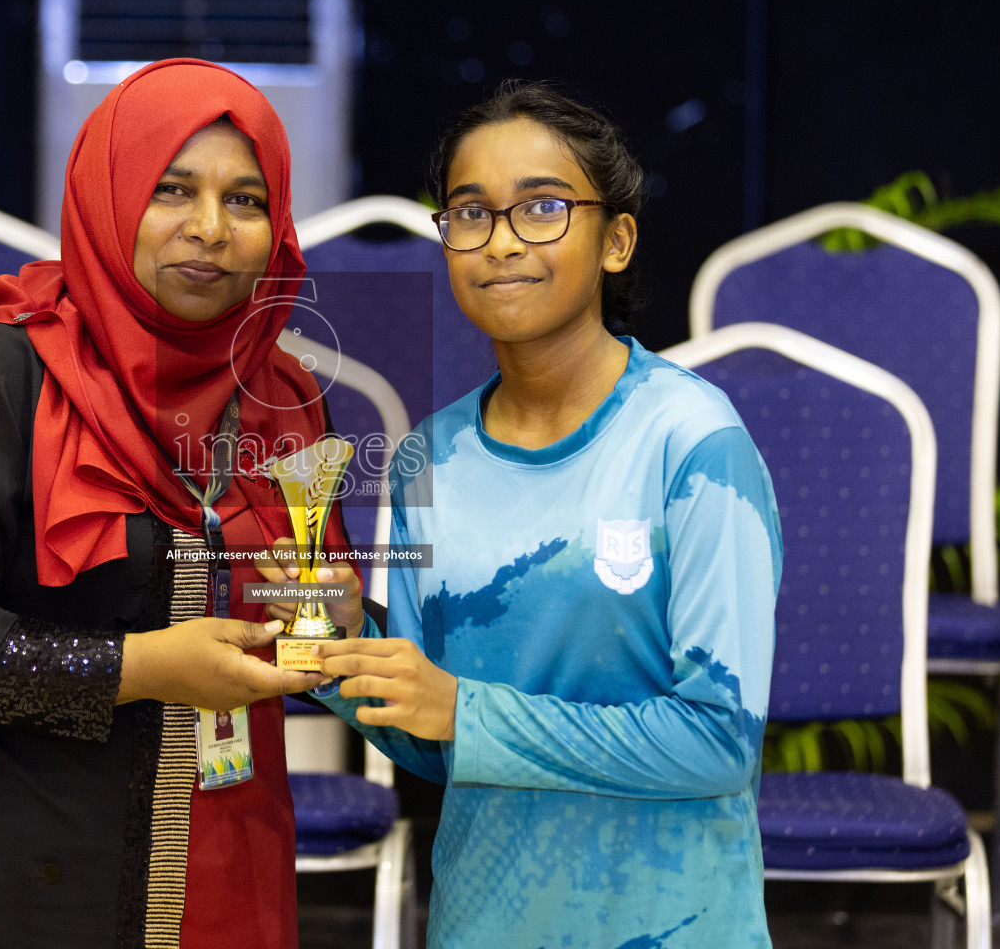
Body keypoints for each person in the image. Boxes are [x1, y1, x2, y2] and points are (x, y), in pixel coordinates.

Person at [0, 59, 354, 949]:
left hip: (230, 862)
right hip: (9, 877)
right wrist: (143, 668)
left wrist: (336, 618)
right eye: (172, 190)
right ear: (108, 196)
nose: (209, 229)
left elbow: (308, 608)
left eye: (245, 200)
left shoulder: (287, 396)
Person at [295, 81, 782, 947]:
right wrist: (337, 643)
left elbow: (717, 743)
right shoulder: (426, 463)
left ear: (617, 240)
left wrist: (465, 712)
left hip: (672, 924)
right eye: (470, 213)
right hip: (484, 920)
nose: (502, 242)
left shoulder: (693, 441)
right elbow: (434, 742)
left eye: (543, 208)